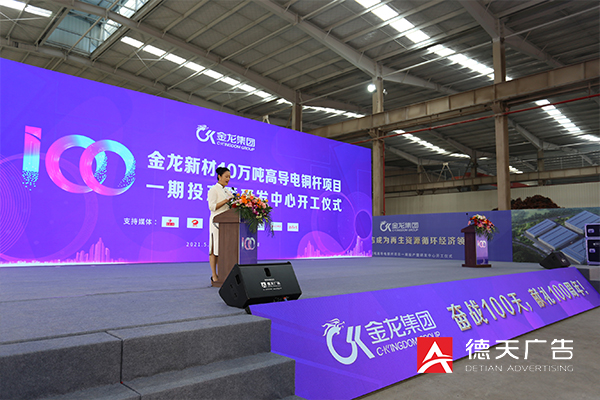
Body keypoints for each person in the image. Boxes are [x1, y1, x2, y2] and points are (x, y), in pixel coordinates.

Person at [207, 167, 233, 285]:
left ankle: (223, 273)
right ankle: (214, 275)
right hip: (216, 223)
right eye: (226, 176)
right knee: (214, 249)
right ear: (219, 176)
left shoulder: (227, 191)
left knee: (223, 250)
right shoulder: (213, 189)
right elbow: (212, 207)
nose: (228, 179)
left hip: (227, 224)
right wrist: (226, 200)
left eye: (229, 177)